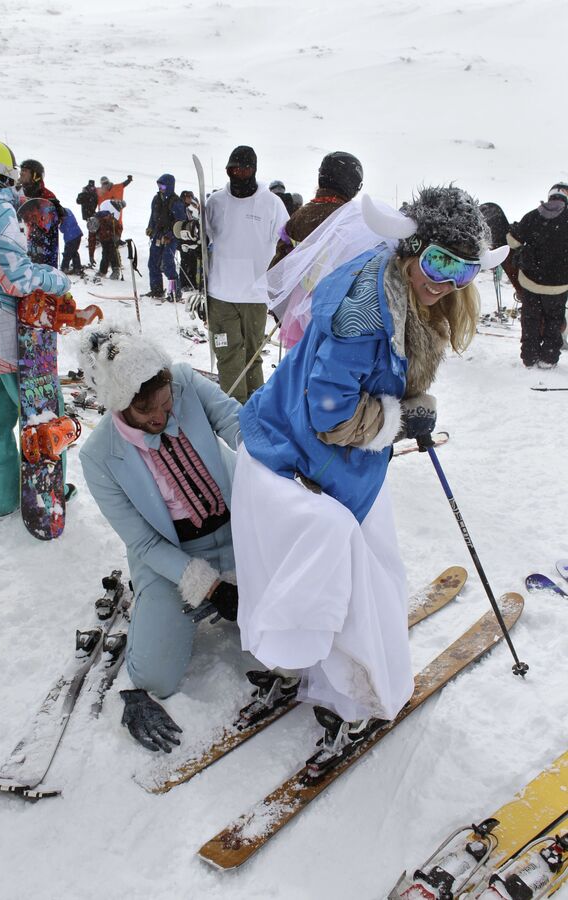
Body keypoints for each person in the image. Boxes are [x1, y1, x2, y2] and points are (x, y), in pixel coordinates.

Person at [230, 185, 506, 762]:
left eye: (462, 273)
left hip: (313, 456)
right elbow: (329, 414)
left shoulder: (399, 285)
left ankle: (310, 670)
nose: (444, 282)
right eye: (436, 263)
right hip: (301, 465)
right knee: (348, 581)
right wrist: (400, 419)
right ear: (413, 248)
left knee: (346, 572)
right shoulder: (364, 310)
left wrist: (408, 404)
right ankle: (346, 693)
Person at [78, 324, 241, 750]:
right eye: (148, 413)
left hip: (238, 527)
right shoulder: (99, 457)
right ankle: (155, 617)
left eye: (167, 404)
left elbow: (235, 421)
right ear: (119, 407)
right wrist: (211, 587)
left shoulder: (185, 380)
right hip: (174, 554)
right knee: (156, 676)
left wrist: (273, 464)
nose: (163, 416)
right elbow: (145, 544)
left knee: (297, 603)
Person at [0, 138, 71, 517]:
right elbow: (17, 277)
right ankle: (48, 493)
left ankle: (4, 498)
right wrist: (57, 280)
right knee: (44, 416)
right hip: (12, 340)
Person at [205, 145, 289, 403]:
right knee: (229, 355)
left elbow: (287, 242)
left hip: (255, 294)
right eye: (233, 169)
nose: (239, 174)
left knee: (252, 355)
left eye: (245, 169)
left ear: (254, 170)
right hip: (220, 295)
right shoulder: (215, 202)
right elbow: (202, 240)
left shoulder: (272, 203)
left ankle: (256, 407)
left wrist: (284, 286)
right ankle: (235, 413)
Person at [507, 183, 568, 368]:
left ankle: (529, 357)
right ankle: (548, 359)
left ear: (550, 196)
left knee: (530, 318)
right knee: (554, 319)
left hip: (530, 280)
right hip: (559, 284)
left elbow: (512, 240)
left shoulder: (533, 215)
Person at [270, 151, 363, 268]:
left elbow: (276, 271)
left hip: (298, 286)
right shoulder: (353, 219)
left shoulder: (299, 216)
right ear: (351, 184)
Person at [145, 174, 187, 300]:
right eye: (159, 185)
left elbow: (180, 222)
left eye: (162, 185)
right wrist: (150, 228)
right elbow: (153, 216)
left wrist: (170, 235)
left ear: (169, 185)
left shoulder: (176, 202)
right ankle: (156, 290)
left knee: (168, 265)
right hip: (157, 236)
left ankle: (174, 292)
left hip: (170, 238)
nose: (160, 188)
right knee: (153, 263)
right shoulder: (156, 199)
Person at [18, 159, 62, 267]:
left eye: (25, 170)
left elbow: (54, 222)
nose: (21, 173)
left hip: (41, 246)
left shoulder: (46, 195)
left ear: (35, 175)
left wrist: (57, 210)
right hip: (19, 240)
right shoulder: (16, 190)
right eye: (21, 170)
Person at [89, 199, 124, 279]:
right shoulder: (91, 225)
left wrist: (117, 236)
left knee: (112, 253)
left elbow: (119, 227)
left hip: (112, 236)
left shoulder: (107, 219)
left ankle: (115, 271)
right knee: (105, 254)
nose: (94, 232)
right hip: (103, 238)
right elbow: (91, 241)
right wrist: (91, 255)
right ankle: (103, 271)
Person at [76, 179, 99, 266]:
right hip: (90, 214)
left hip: (90, 214)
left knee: (92, 232)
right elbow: (78, 201)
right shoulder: (91, 193)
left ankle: (94, 239)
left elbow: (79, 201)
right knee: (92, 232)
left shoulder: (90, 193)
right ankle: (94, 240)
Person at [59, 207, 84, 275]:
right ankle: (77, 268)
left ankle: (64, 268)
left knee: (67, 253)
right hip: (78, 234)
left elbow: (62, 230)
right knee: (74, 252)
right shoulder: (68, 211)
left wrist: (59, 224)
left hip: (71, 237)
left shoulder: (64, 219)